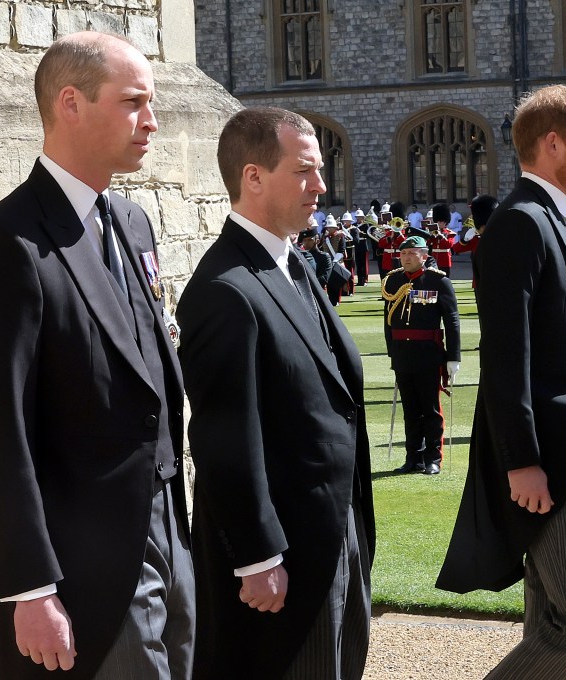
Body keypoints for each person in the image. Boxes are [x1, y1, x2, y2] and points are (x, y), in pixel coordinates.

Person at [0, 32, 194, 679]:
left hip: (168, 532)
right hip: (84, 557)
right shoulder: (7, 242)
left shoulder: (132, 223)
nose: (153, 121)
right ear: (70, 104)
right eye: (134, 102)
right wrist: (29, 587)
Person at [176, 106, 375, 680]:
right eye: (305, 171)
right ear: (254, 177)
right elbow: (224, 435)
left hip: (334, 527)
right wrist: (258, 553)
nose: (322, 187)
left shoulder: (293, 265)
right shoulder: (226, 290)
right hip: (285, 549)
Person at [437, 84, 566, 679]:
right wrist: (522, 461)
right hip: (550, 459)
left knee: (549, 622)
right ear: (551, 143)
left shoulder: (553, 218)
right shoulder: (520, 223)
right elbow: (506, 357)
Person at [381, 236, 461, 475]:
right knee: (410, 410)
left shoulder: (437, 281)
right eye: (403, 254)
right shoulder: (393, 281)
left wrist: (453, 357)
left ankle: (432, 458)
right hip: (403, 354)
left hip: (428, 354)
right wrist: (391, 350)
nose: (406, 258)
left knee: (430, 409)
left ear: (424, 256)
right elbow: (388, 320)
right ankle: (412, 457)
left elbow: (452, 320)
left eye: (412, 253)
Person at [428, 203, 456, 276]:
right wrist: (430, 235)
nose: (438, 223)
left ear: (445, 222)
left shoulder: (450, 233)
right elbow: (428, 243)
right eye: (437, 221)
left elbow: (449, 245)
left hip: (445, 261)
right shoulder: (433, 232)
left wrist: (441, 236)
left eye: (440, 222)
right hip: (434, 259)